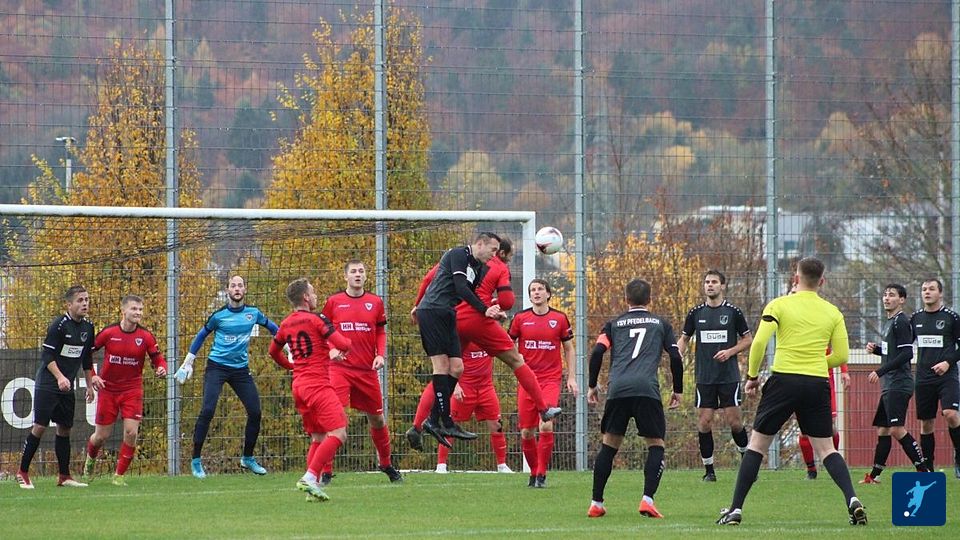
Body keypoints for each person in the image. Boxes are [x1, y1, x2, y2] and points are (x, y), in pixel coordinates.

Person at [716, 257, 866, 526]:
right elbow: (842, 355)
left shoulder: (779, 304)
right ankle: (852, 499)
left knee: (757, 445)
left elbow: (759, 342)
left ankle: (736, 509)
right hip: (816, 383)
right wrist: (815, 362)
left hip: (783, 380)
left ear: (796, 278)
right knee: (827, 449)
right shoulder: (833, 312)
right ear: (822, 281)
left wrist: (752, 377)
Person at [409, 234, 561, 447]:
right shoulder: (495, 266)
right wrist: (492, 305)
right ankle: (544, 408)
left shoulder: (464, 261)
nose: (499, 256)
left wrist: (417, 304)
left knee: (449, 370)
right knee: (516, 360)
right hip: (475, 318)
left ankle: (418, 426)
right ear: (501, 253)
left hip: (452, 316)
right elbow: (507, 301)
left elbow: (428, 279)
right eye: (506, 255)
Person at [586, 278, 683, 519]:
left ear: (626, 299)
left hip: (618, 389)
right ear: (649, 299)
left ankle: (596, 503)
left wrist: (592, 385)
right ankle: (647, 500)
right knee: (656, 445)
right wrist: (678, 389)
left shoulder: (614, 324)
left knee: (609, 445)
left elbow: (597, 352)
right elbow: (675, 356)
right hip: (646, 389)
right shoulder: (661, 324)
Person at [175, 275, 282, 478]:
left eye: (240, 285)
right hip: (217, 367)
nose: (237, 288)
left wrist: (288, 347)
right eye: (233, 285)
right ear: (228, 290)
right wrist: (188, 362)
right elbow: (201, 336)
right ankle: (196, 461)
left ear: (245, 289)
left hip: (240, 370)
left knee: (255, 412)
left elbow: (274, 329)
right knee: (208, 410)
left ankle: (247, 458)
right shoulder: (219, 316)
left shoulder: (253, 313)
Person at [268, 278, 352, 502]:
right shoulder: (317, 319)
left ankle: (311, 490)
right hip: (317, 385)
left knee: (318, 437)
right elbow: (342, 344)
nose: (315, 296)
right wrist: (347, 345)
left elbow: (273, 351)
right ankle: (310, 477)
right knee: (339, 433)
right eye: (313, 293)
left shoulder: (286, 323)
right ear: (305, 297)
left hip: (299, 386)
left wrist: (291, 366)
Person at [319, 259, 401, 485]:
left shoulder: (375, 302)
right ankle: (326, 471)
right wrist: (331, 349)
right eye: (353, 271)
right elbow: (322, 330)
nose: (358, 274)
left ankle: (386, 464)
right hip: (340, 369)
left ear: (366, 276)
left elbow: (381, 331)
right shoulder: (334, 302)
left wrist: (380, 354)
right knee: (335, 419)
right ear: (345, 276)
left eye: (361, 271)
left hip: (366, 371)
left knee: (378, 419)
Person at [17, 285, 100, 489]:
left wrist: (89, 385)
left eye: (87, 299)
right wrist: (60, 377)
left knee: (65, 428)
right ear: (69, 304)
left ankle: (64, 476)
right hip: (48, 383)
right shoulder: (59, 325)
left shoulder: (88, 327)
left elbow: (86, 359)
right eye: (80, 300)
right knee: (40, 426)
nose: (85, 304)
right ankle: (23, 472)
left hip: (66, 386)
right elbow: (47, 356)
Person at [83, 295, 167, 486]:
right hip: (108, 390)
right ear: (123, 311)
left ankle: (119, 476)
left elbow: (158, 359)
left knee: (131, 433)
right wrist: (93, 375)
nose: (138, 313)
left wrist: (162, 368)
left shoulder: (145, 336)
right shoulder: (109, 332)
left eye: (140, 309)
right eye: (134, 309)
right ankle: (90, 462)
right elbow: (87, 353)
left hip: (132, 390)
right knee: (101, 437)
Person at [677, 270, 752, 482]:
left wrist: (730, 352)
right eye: (707, 282)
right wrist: (676, 354)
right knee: (704, 422)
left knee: (734, 422)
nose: (710, 285)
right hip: (705, 377)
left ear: (722, 286)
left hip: (728, 376)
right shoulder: (695, 313)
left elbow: (748, 339)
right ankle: (709, 471)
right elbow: (684, 338)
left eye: (714, 282)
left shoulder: (733, 312)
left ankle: (747, 464)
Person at [508, 278, 577, 488]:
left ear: (548, 294)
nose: (536, 292)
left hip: (550, 380)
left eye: (540, 289)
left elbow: (569, 348)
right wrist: (516, 358)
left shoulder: (559, 318)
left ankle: (541, 474)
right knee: (526, 432)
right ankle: (533, 473)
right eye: (533, 290)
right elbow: (508, 343)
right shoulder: (520, 318)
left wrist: (571, 377)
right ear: (529, 296)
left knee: (546, 424)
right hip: (527, 380)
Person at [860, 283, 929, 484]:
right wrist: (877, 350)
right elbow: (893, 352)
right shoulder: (890, 322)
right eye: (885, 295)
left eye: (891, 295)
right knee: (883, 429)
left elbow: (907, 353)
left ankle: (923, 470)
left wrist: (879, 371)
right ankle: (874, 476)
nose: (886, 298)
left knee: (897, 429)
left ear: (902, 300)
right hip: (890, 384)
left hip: (899, 383)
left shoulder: (901, 321)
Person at [413, 342, 512, 473]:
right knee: (449, 425)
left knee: (497, 425)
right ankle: (441, 465)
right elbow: (448, 362)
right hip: (464, 388)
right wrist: (455, 385)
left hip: (486, 387)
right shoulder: (462, 339)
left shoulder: (487, 336)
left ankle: (502, 465)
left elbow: (505, 345)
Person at [910, 278, 960, 478]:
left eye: (931, 289)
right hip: (924, 378)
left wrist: (947, 362)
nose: (927, 292)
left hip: (947, 377)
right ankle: (928, 468)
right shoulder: (915, 318)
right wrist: (879, 350)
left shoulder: (951, 317)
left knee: (951, 414)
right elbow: (904, 346)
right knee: (926, 423)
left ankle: (959, 458)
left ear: (940, 293)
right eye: (924, 289)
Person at [798, 362, 850, 479]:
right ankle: (811, 470)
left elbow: (839, 353)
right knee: (804, 430)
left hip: (824, 380)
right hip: (803, 380)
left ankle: (834, 464)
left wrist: (844, 371)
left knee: (830, 427)